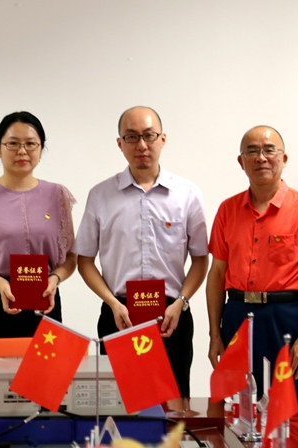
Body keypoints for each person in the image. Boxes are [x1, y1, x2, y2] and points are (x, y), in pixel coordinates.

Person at [74, 106, 209, 409]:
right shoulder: (100, 195)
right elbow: (84, 260)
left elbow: (201, 259)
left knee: (174, 413)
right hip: (119, 315)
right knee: (121, 409)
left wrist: (181, 302)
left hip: (171, 316)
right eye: (132, 137)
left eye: (149, 136)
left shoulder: (187, 194)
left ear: (163, 139)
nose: (142, 145)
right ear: (120, 143)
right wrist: (112, 303)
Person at [0, 111, 76, 389]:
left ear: (41, 148)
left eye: (31, 143)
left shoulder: (57, 196)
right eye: (13, 143)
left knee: (48, 390)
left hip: (45, 301)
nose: (22, 151)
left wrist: (55, 279)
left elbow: (70, 257)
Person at [206, 125, 298, 397]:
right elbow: (216, 274)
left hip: (285, 319)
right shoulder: (227, 210)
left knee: (288, 404)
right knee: (236, 403)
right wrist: (215, 334)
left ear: (283, 158)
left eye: (269, 150)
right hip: (236, 315)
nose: (261, 157)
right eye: (252, 151)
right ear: (241, 161)